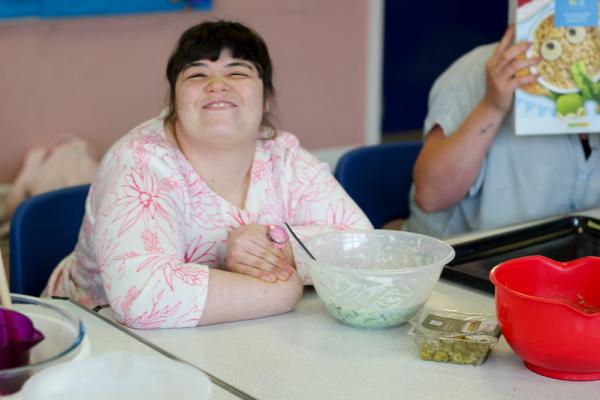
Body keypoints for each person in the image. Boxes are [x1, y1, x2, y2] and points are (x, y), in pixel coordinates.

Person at [44, 21, 372, 329]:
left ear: (266, 96)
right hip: (98, 335)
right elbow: (142, 296)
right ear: (174, 100)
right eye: (197, 75)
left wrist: (278, 246)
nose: (217, 85)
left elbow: (367, 247)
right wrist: (281, 290)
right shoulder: (139, 162)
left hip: (234, 335)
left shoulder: (282, 153)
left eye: (238, 71)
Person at [403, 26, 600, 238]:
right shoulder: (478, 70)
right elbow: (431, 196)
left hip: (567, 256)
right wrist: (492, 105)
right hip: (462, 258)